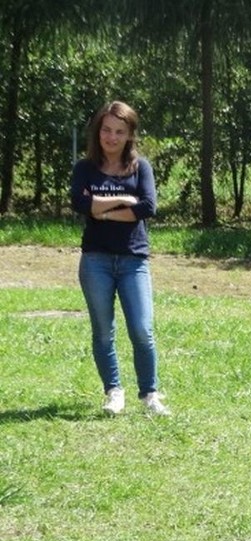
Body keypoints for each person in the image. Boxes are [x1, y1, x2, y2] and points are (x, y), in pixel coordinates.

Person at [70, 101, 169, 416]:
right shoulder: (84, 169)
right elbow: (79, 204)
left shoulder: (142, 168)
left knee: (141, 329)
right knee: (103, 330)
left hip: (133, 261)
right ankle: (114, 392)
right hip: (95, 261)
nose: (111, 137)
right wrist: (124, 200)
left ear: (129, 135)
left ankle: (150, 395)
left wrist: (102, 209)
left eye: (119, 132)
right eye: (106, 129)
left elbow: (147, 208)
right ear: (98, 130)